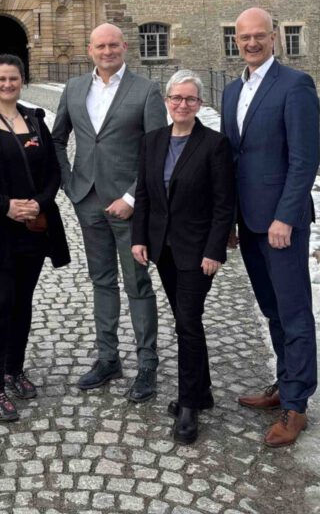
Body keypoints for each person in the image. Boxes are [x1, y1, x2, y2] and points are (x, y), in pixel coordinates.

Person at [52, 23, 168, 402]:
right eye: (100, 46)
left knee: (137, 283)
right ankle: (108, 358)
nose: (107, 52)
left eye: (113, 45)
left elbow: (157, 150)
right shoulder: (74, 89)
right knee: (101, 281)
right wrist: (69, 183)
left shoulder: (146, 90)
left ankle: (147, 364)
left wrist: (133, 197)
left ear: (124, 46)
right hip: (88, 200)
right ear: (90, 50)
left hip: (129, 207)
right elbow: (57, 139)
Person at [220, 7, 320, 448]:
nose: (252, 42)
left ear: (274, 37)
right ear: (235, 40)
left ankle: (296, 406)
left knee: (294, 312)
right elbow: (232, 159)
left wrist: (285, 216)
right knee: (272, 310)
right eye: (244, 37)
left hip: (282, 224)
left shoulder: (295, 85)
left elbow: (304, 159)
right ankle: (284, 383)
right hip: (249, 221)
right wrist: (229, 220)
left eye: (259, 35)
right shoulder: (231, 91)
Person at [0, 54, 71, 421]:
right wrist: (4, 206)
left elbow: (53, 172)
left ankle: (14, 369)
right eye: (1, 79)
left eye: (14, 78)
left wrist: (39, 203)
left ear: (22, 80)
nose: (7, 84)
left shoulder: (36, 120)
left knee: (22, 302)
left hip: (31, 228)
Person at [131, 70, 235, 444]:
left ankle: (189, 404)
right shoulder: (152, 141)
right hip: (163, 248)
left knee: (187, 322)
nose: (182, 104)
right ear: (167, 101)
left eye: (190, 99)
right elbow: (144, 194)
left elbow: (224, 203)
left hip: (197, 251)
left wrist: (214, 250)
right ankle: (201, 391)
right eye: (176, 98)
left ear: (200, 104)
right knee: (184, 319)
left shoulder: (214, 144)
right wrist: (139, 239)